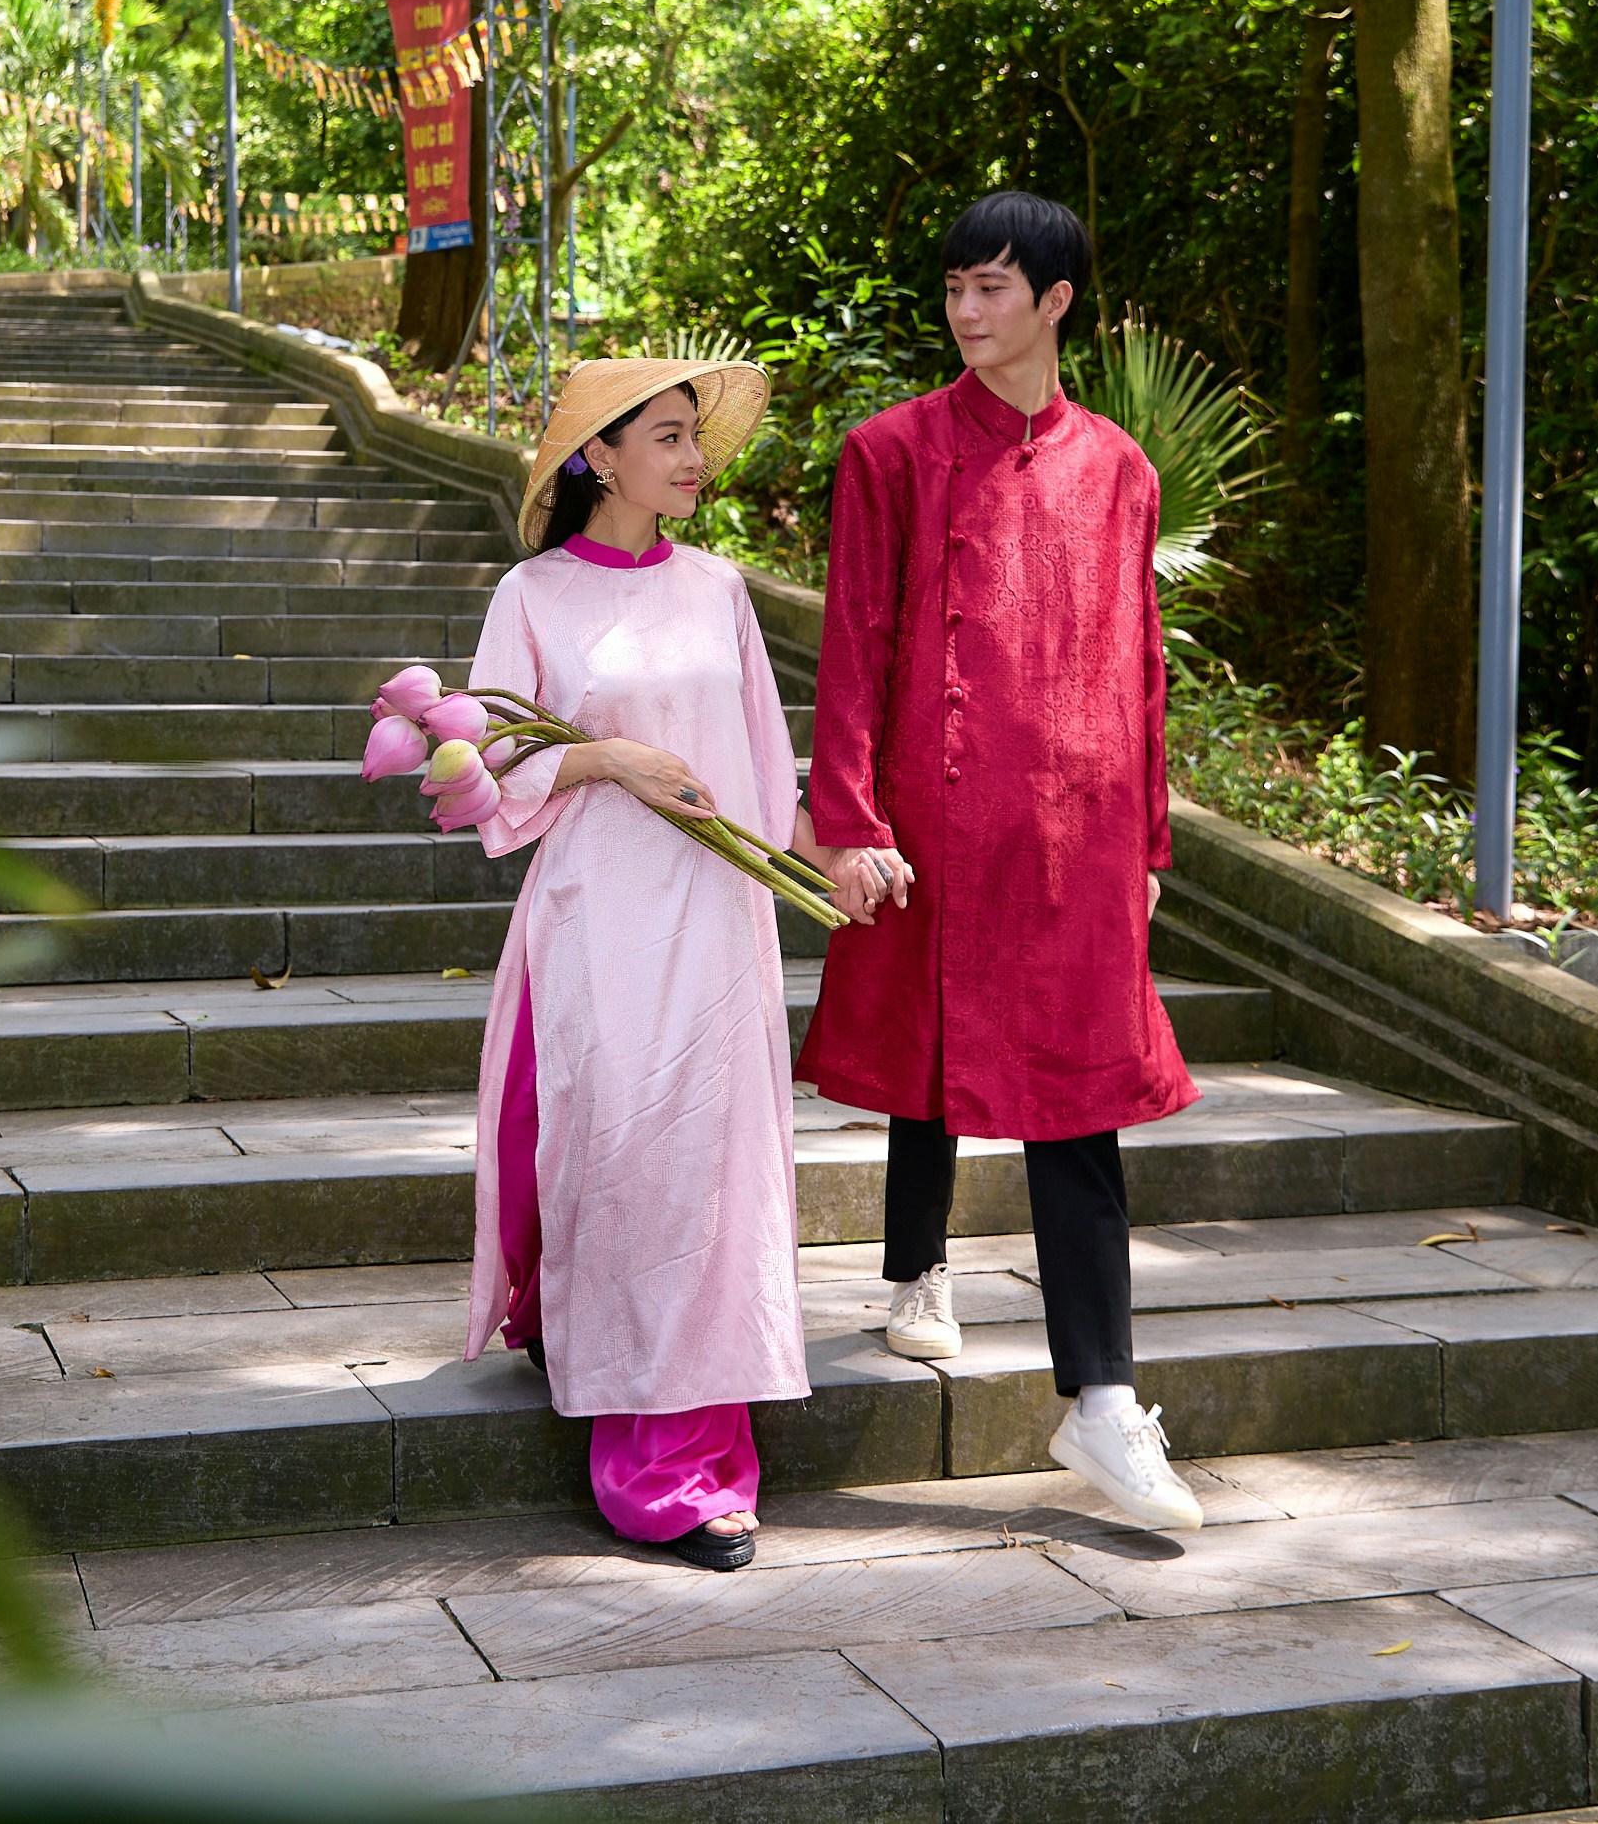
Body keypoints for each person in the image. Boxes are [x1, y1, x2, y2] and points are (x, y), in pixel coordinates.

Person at [797, 190, 1210, 1531]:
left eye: (992, 289)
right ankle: (916, 1264)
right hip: (932, 816)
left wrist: (1145, 838)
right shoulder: (892, 453)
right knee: (935, 1038)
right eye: (955, 289)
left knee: (1070, 1091)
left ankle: (1100, 1403)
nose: (968, 312)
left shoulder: (1122, 469)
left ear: (1056, 301)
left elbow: (1141, 667)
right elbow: (856, 636)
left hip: (1078, 837)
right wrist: (850, 815)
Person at [454, 355, 848, 1572]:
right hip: (598, 913)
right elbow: (479, 769)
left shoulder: (718, 586)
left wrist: (839, 855)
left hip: (717, 914)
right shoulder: (531, 594)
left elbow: (764, 754)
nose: (691, 457)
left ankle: (691, 1453)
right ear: (598, 457)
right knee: (625, 1161)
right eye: (666, 436)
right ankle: (641, 1445)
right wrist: (608, 760)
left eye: (694, 437)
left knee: (707, 1175)